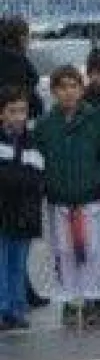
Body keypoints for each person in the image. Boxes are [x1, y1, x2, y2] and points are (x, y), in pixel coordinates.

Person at [35, 66, 100, 327]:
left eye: (73, 86)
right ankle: (70, 300)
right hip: (60, 199)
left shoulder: (95, 119)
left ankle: (94, 298)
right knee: (64, 251)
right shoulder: (46, 124)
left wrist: (97, 180)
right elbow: (37, 159)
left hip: (89, 198)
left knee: (93, 250)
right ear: (53, 91)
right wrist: (49, 184)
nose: (68, 92)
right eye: (62, 87)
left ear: (81, 89)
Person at [0, 84, 43, 331]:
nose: (19, 117)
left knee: (18, 263)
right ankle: (3, 309)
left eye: (22, 111)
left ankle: (17, 308)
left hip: (24, 213)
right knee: (2, 262)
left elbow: (36, 176)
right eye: (12, 111)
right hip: (3, 211)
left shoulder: (31, 142)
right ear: (2, 113)